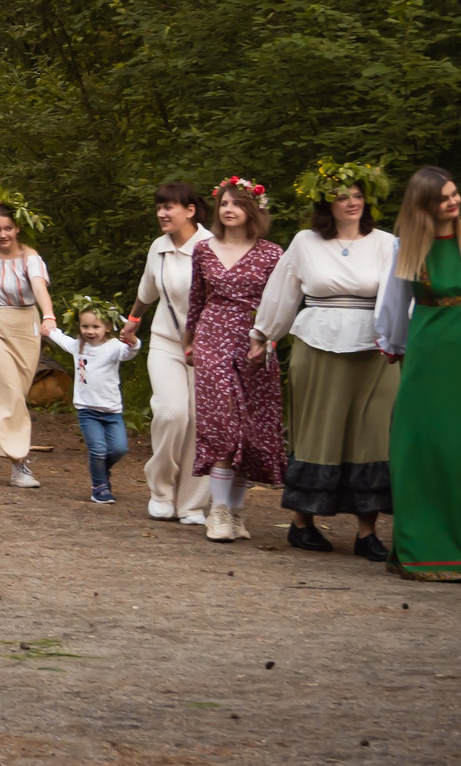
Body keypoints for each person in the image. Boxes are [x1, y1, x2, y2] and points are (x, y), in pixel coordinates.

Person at [256, 166, 399, 558]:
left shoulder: (386, 243)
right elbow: (282, 291)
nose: (351, 202)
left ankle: (367, 533)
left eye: (356, 195)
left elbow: (399, 296)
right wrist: (263, 335)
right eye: (342, 196)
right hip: (317, 344)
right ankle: (302, 524)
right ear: (327, 204)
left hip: (375, 349)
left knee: (372, 434)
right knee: (319, 430)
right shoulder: (305, 242)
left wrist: (402, 339)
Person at [376, 166, 461, 582]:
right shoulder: (407, 248)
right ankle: (425, 550)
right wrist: (393, 346)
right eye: (444, 198)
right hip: (428, 358)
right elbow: (394, 306)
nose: (454, 202)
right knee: (426, 451)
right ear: (424, 206)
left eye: (454, 194)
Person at [181, 178, 286, 543]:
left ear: (253, 210)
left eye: (237, 204)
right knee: (223, 424)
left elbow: (281, 304)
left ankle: (236, 512)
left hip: (254, 342)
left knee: (250, 431)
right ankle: (219, 511)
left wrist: (269, 339)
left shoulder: (273, 253)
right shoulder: (204, 250)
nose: (228, 209)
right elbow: (196, 299)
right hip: (212, 339)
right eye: (224, 203)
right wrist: (188, 340)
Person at [124, 182, 215, 525]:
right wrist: (134, 320)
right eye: (159, 207)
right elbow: (147, 290)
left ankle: (192, 504)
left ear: (190, 210)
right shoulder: (158, 247)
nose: (161, 213)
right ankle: (161, 491)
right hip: (165, 340)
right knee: (171, 413)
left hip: (206, 348)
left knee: (199, 423)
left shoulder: (211, 247)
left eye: (169, 207)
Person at [0, 204, 53, 488]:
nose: (2, 234)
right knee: (7, 393)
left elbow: (39, 288)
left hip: (25, 327)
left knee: (16, 395)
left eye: (7, 228)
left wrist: (50, 316)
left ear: (17, 228)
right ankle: (19, 463)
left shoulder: (30, 258)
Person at [46, 301, 141, 505]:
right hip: (87, 410)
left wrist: (132, 341)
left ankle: (102, 470)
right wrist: (50, 330)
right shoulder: (78, 346)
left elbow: (129, 353)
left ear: (107, 327)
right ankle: (99, 486)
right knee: (97, 450)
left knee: (119, 449)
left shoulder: (113, 347)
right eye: (85, 326)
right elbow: (61, 339)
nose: (90, 331)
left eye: (95, 327)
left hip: (111, 410)